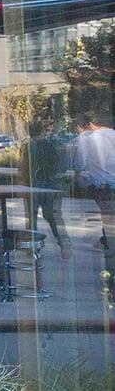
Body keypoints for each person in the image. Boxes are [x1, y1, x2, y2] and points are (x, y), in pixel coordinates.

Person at [73, 113, 115, 290]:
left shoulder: (88, 139)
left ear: (90, 124)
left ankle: (109, 254)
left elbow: (80, 163)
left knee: (110, 221)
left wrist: (78, 177)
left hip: (102, 186)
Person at [19, 121, 73, 259]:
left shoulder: (27, 147)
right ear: (42, 131)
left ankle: (33, 248)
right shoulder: (51, 146)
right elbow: (60, 166)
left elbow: (23, 168)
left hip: (32, 185)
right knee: (53, 217)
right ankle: (64, 243)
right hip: (50, 186)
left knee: (31, 218)